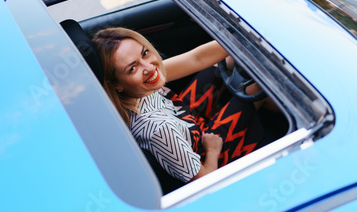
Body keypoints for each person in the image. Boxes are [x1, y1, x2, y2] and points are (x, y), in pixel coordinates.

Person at [92, 27, 265, 183]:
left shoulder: (138, 85)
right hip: (205, 153)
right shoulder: (159, 130)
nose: (149, 67)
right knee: (256, 88)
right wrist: (212, 150)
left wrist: (248, 36)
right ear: (116, 84)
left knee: (224, 61)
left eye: (144, 53)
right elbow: (204, 183)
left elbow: (196, 59)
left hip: (185, 120)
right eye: (132, 68)